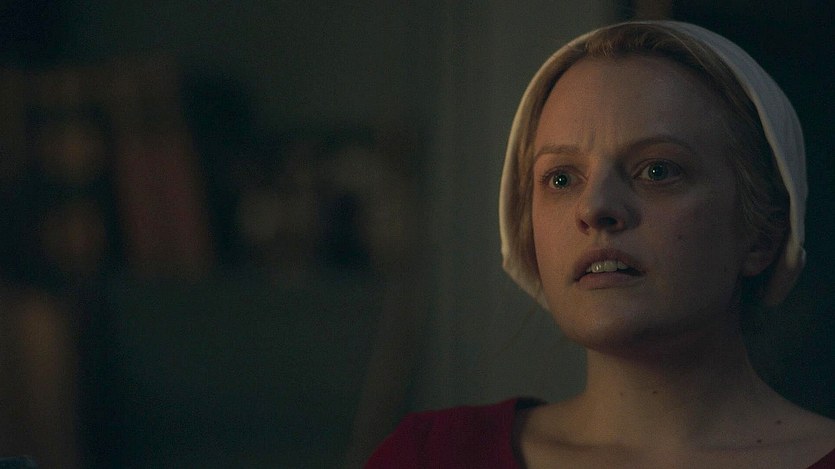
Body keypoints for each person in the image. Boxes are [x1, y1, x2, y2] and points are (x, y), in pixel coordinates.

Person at [365, 20, 835, 468]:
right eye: (562, 178)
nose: (595, 208)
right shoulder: (432, 457)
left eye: (657, 171)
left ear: (762, 234)